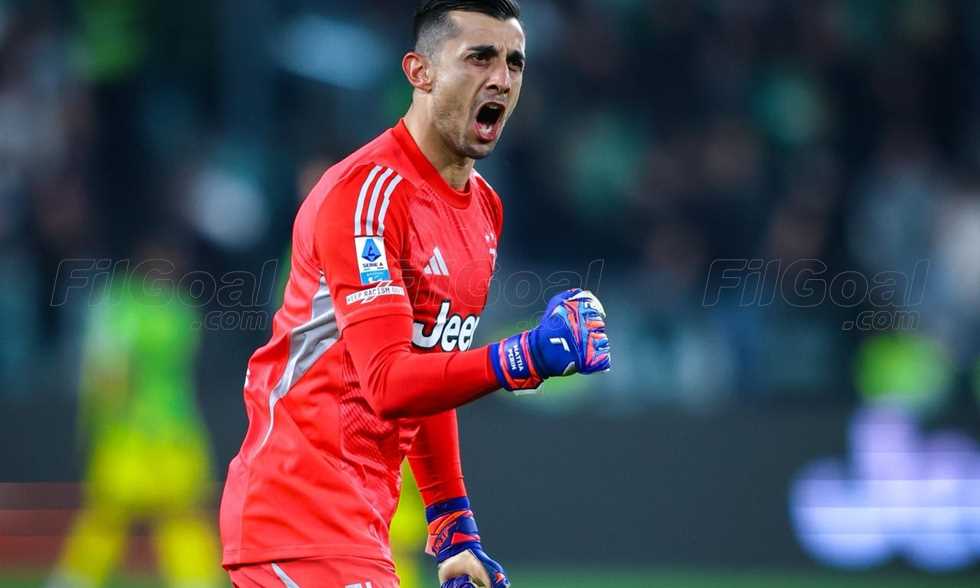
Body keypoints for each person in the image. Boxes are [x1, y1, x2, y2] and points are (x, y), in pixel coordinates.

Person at [219, 2, 611, 586]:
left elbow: (431, 370)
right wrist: (524, 356)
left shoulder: (484, 209)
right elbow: (389, 383)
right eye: (479, 57)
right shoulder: (367, 195)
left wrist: (455, 527)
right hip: (296, 512)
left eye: (514, 62)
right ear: (419, 72)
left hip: (359, 526)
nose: (501, 79)